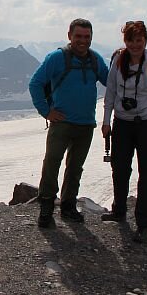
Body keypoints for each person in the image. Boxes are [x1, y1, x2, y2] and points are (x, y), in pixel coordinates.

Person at [29, 18, 109, 228]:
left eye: (87, 37)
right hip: (62, 123)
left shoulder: (95, 60)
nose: (83, 41)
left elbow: (111, 81)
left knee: (75, 168)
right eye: (78, 36)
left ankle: (68, 206)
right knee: (52, 164)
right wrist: (46, 111)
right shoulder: (57, 58)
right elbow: (35, 83)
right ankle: (46, 209)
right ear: (69, 36)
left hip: (85, 124)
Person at [101, 21, 147, 242]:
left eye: (139, 40)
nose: (135, 44)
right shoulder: (118, 60)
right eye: (131, 40)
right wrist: (106, 120)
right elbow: (110, 91)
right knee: (119, 168)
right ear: (125, 41)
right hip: (122, 122)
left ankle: (144, 224)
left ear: (145, 40)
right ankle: (119, 211)